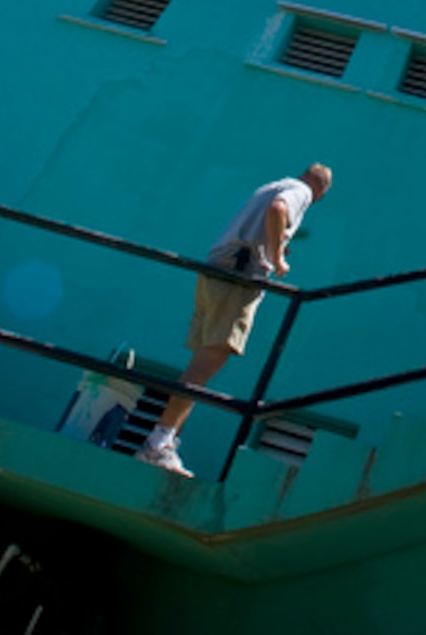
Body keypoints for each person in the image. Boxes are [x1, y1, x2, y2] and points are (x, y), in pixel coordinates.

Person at [137, 163, 333, 477]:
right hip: (238, 277)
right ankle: (157, 443)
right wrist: (278, 257)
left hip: (219, 269)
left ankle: (165, 439)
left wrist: (274, 246)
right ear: (321, 191)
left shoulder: (274, 183)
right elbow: (278, 209)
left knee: (201, 362)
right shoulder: (301, 192)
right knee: (209, 362)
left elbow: (270, 209)